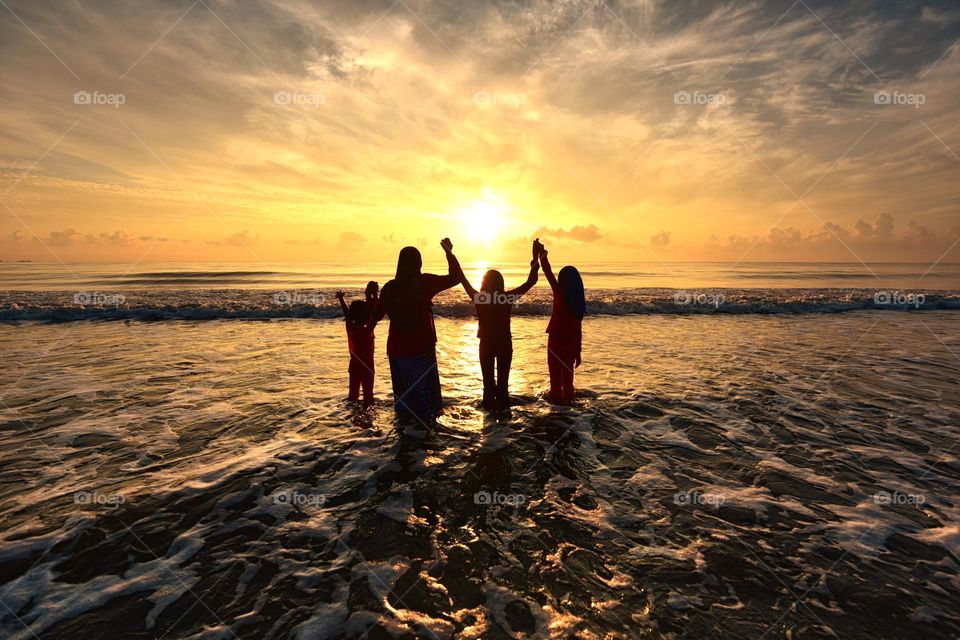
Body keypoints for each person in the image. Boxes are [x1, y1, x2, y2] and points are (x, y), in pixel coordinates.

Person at [370, 239, 463, 423]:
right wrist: (449, 253)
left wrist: (363, 332)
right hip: (421, 351)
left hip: (396, 352)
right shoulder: (424, 283)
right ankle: (424, 440)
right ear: (418, 263)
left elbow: (375, 317)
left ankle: (405, 440)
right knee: (426, 404)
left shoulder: (389, 288)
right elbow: (456, 278)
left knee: (404, 402)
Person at [459, 239, 542, 410]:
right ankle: (504, 425)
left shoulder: (480, 299)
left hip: (486, 345)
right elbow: (531, 281)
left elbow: (461, 277)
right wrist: (535, 258)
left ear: (484, 284)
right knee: (503, 387)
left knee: (488, 387)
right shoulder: (506, 298)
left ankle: (489, 426)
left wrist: (450, 254)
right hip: (505, 344)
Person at [540, 246, 585, 404]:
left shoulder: (560, 293)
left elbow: (548, 273)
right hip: (571, 345)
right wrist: (578, 352)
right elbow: (578, 330)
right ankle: (569, 412)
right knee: (568, 382)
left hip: (556, 342)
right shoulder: (579, 303)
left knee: (555, 382)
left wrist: (542, 255)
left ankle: (557, 414)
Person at [335, 288, 376, 405]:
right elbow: (375, 314)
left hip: (354, 365)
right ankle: (367, 415)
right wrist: (372, 295)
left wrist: (341, 299)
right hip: (367, 367)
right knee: (368, 398)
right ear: (367, 316)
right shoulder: (368, 330)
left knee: (352, 396)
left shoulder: (351, 328)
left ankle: (352, 416)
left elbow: (347, 313)